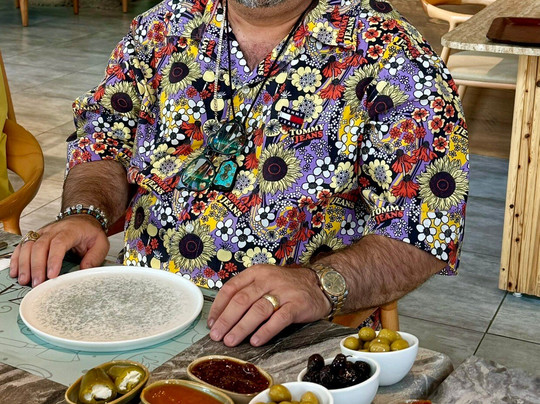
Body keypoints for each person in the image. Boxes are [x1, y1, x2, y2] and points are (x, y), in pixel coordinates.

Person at [10, 0, 469, 348]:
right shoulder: (161, 29)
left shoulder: (391, 54)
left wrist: (319, 284)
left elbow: (425, 228)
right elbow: (104, 138)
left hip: (284, 333)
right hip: (135, 307)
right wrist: (85, 212)